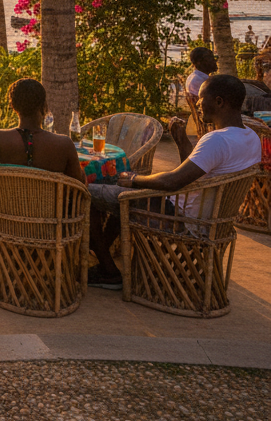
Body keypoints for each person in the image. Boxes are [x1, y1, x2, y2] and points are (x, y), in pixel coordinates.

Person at [87, 73, 261, 290]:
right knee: (119, 194)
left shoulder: (217, 140)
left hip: (178, 218)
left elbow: (173, 181)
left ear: (219, 102)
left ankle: (108, 271)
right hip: (208, 221)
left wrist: (135, 179)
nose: (196, 104)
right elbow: (194, 176)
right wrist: (181, 141)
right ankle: (103, 256)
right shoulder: (251, 137)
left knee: (87, 192)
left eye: (201, 99)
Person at [0, 79, 84, 189]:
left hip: (7, 207)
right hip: (52, 207)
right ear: (44, 106)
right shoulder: (64, 144)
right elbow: (81, 185)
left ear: (13, 106)